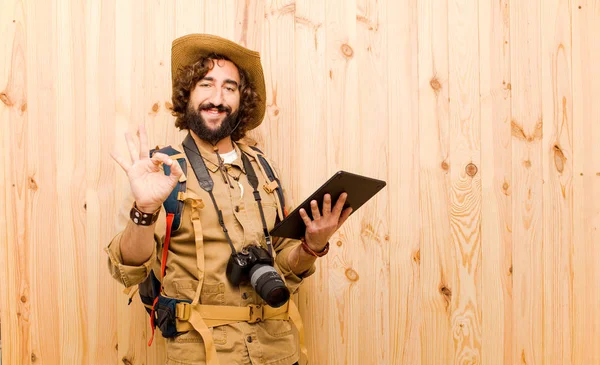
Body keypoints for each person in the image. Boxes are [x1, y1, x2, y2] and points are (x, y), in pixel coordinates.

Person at [105, 33, 352, 365]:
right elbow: (128, 271)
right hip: (204, 355)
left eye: (230, 88)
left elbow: (283, 265)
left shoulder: (265, 169)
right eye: (206, 84)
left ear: (241, 100)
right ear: (188, 93)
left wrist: (311, 246)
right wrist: (145, 209)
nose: (217, 98)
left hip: (279, 352)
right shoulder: (160, 171)